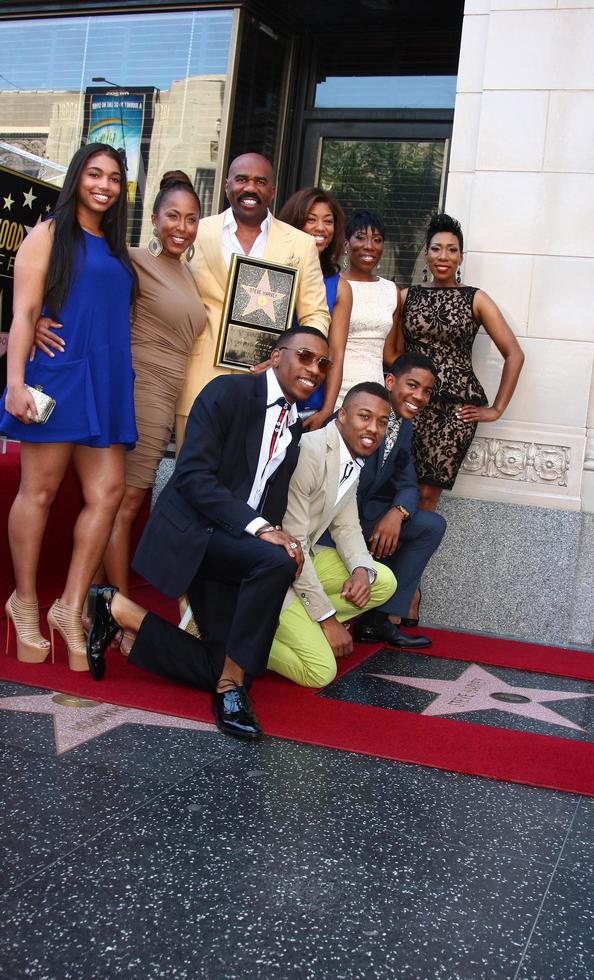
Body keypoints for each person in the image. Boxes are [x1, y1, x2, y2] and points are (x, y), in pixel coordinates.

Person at [85, 327, 331, 741]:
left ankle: (121, 612)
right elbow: (193, 476)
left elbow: (268, 502)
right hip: (192, 534)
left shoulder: (291, 429)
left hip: (230, 545)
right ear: (276, 356)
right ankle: (229, 691)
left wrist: (277, 532)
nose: (314, 369)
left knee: (231, 660)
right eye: (305, 356)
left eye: (323, 364)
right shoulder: (229, 393)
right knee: (276, 564)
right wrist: (263, 531)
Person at [32, 172, 207, 644]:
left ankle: (92, 602)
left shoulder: (188, 274)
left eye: (192, 219)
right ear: (154, 219)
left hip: (170, 394)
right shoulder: (128, 258)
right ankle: (118, 612)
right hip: (138, 388)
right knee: (124, 504)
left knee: (126, 503)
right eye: (172, 215)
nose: (182, 226)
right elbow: (69, 268)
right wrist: (38, 319)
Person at [0, 143, 136, 671]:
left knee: (108, 493)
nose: (104, 184)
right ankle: (25, 602)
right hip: (57, 377)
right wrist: (14, 382)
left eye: (115, 178)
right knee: (39, 491)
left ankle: (70, 606)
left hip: (104, 381)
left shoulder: (119, 245)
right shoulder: (48, 232)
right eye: (94, 173)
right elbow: (25, 309)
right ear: (77, 177)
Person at [175, 153, 331, 447]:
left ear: (272, 191)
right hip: (198, 378)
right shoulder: (196, 231)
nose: (250, 188)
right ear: (226, 185)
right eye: (242, 179)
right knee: (190, 479)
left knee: (250, 485)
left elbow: (316, 316)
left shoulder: (300, 243)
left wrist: (288, 358)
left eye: (260, 182)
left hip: (269, 385)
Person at [386, 212, 524, 512]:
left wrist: (496, 409)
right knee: (392, 488)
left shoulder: (476, 298)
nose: (443, 256)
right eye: (436, 248)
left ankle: (409, 557)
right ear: (426, 254)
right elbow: (392, 355)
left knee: (425, 497)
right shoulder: (406, 296)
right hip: (410, 406)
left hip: (453, 415)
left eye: (452, 249)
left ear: (461, 257)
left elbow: (514, 354)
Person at [267, 383, 397, 688]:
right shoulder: (311, 451)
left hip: (303, 559)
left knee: (382, 581)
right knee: (320, 672)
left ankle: (304, 621)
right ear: (341, 415)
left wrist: (361, 570)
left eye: (381, 422)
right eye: (365, 417)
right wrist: (327, 620)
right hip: (276, 570)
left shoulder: (351, 455)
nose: (373, 428)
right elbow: (293, 543)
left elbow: (347, 527)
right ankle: (230, 634)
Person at [352, 353, 446, 648]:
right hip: (335, 522)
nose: (419, 397)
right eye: (413, 385)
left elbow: (408, 483)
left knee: (431, 525)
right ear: (390, 381)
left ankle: (377, 620)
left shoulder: (404, 427)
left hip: (368, 515)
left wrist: (398, 512)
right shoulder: (359, 412)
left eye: (427, 391)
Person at [277, 187, 351, 430]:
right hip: (270, 393)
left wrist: (327, 410)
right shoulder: (275, 271)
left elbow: (336, 354)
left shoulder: (340, 287)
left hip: (310, 405)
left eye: (328, 221)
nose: (321, 228)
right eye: (311, 219)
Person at [336, 210, 400, 407]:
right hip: (334, 392)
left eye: (377, 239)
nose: (369, 246)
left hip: (374, 393)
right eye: (361, 238)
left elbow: (389, 356)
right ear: (346, 244)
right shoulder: (332, 284)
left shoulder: (391, 290)